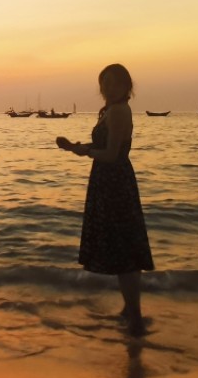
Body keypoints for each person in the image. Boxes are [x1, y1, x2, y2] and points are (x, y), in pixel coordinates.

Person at [57, 63, 154, 336]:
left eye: (113, 82)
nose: (107, 88)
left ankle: (135, 319)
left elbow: (111, 155)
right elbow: (101, 150)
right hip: (107, 182)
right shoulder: (111, 111)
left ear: (126, 86)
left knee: (124, 251)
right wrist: (75, 148)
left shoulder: (120, 111)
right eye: (104, 83)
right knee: (122, 248)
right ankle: (129, 311)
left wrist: (84, 151)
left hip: (115, 183)